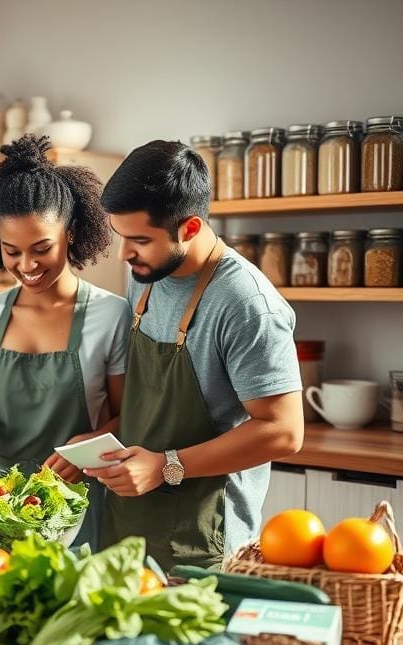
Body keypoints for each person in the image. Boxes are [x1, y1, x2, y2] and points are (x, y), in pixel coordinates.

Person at [91, 140, 304, 571]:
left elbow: (284, 431)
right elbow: (157, 401)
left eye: (138, 240)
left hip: (201, 538)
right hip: (130, 521)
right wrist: (102, 440)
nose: (123, 253)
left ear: (189, 228)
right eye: (121, 236)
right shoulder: (147, 273)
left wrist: (166, 466)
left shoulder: (246, 303)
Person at [0, 135, 130, 550]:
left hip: (74, 511)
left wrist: (91, 445)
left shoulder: (111, 315)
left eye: (41, 248)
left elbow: (129, 419)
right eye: (11, 251)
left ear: (71, 234)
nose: (27, 266)